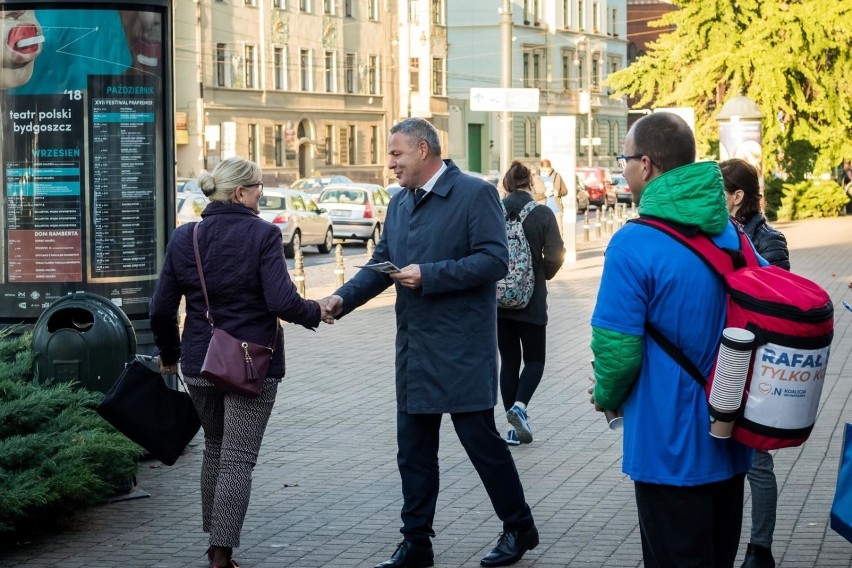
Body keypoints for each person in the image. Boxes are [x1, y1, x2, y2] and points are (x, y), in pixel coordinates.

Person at [324, 118, 538, 568]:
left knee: (482, 446)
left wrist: (430, 274)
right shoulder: (400, 203)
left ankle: (519, 527)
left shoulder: (475, 193)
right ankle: (416, 541)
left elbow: (494, 260)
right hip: (415, 349)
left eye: (397, 154)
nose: (390, 163)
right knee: (413, 452)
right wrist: (341, 299)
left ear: (424, 150)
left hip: (462, 348)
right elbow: (382, 262)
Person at [149, 157, 332, 568]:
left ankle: (214, 538)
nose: (261, 195)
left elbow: (160, 309)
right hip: (251, 364)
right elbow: (282, 302)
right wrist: (317, 311)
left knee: (216, 448)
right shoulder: (264, 235)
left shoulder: (185, 237)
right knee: (237, 458)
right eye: (259, 189)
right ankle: (220, 553)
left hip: (199, 363)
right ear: (240, 193)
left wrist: (170, 355)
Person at [589, 112, 754, 567]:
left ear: (646, 164)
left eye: (624, 159)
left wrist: (604, 396)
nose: (622, 169)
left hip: (667, 447)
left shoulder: (632, 244)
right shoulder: (732, 235)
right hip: (730, 433)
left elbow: (616, 352)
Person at [720, 158, 790, 568]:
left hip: (757, 364)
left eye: (720, 192)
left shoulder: (769, 240)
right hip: (728, 361)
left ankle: (759, 549)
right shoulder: (721, 234)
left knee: (758, 461)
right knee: (728, 456)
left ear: (738, 196)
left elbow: (774, 302)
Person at [498, 161, 565, 445]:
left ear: (507, 184)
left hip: (499, 301)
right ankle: (520, 407)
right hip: (532, 302)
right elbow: (555, 254)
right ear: (530, 183)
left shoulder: (494, 210)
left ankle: (513, 429)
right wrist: (543, 275)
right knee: (535, 360)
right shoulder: (542, 213)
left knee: (509, 361)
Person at [537, 159, 568, 236]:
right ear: (541, 168)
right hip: (541, 212)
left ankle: (559, 248)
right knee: (543, 236)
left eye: (549, 170)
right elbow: (532, 196)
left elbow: (565, 191)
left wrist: (559, 193)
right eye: (545, 171)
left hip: (556, 210)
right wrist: (544, 195)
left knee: (559, 235)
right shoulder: (535, 179)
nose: (547, 173)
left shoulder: (557, 176)